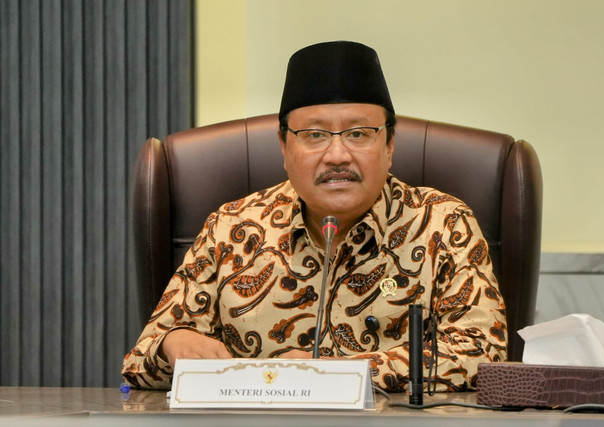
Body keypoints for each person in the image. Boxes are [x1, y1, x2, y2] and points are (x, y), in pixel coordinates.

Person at [122, 41, 507, 392]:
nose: (337, 156)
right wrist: (172, 343)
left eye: (358, 134)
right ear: (284, 147)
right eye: (314, 135)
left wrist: (342, 373)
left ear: (389, 145)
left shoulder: (442, 223)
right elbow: (139, 362)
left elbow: (484, 354)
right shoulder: (233, 228)